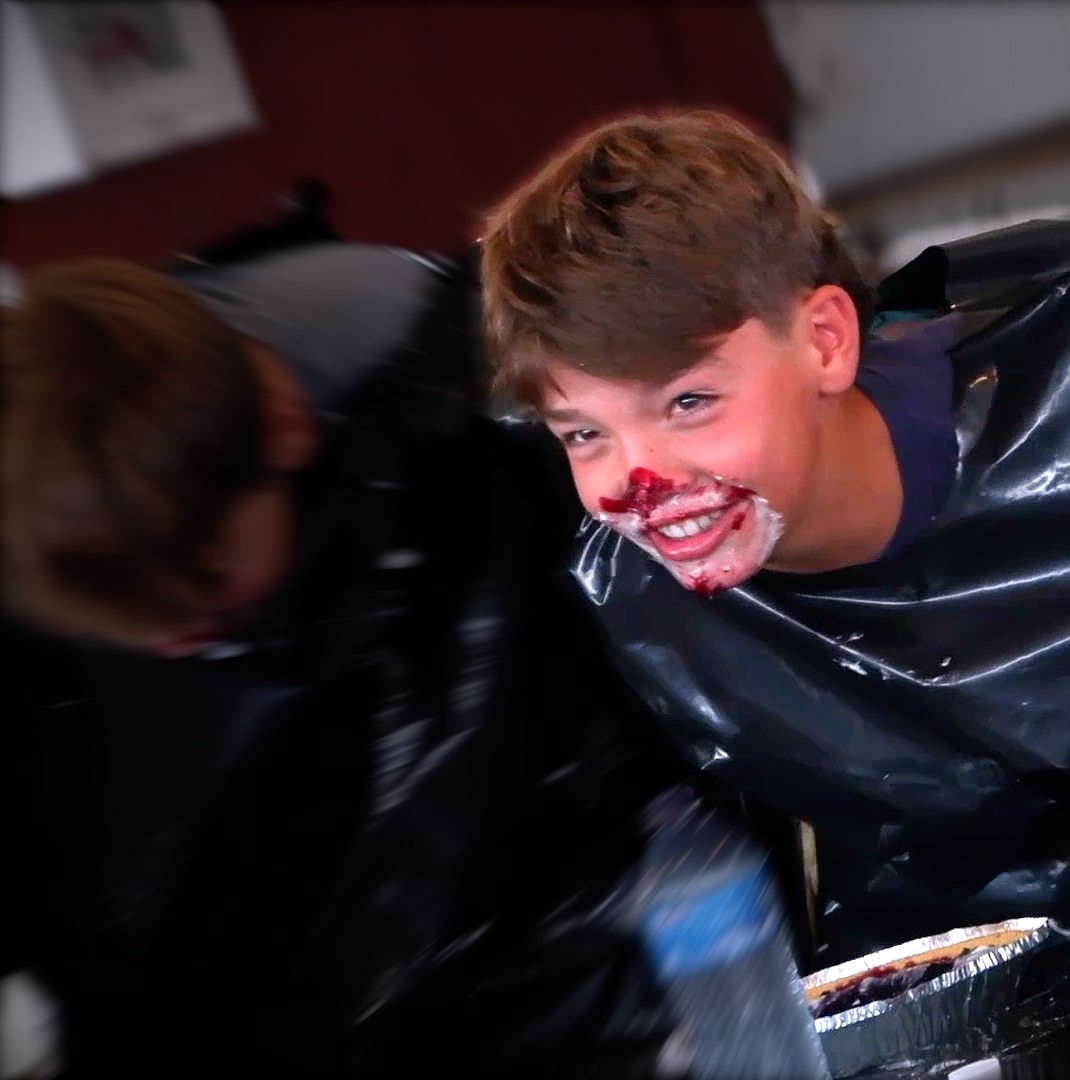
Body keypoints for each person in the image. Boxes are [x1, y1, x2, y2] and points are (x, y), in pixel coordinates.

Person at [481, 108, 1070, 1074]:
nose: (636, 483)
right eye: (581, 434)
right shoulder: (632, 608)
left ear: (823, 342)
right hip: (1028, 1029)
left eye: (688, 402)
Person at [0, 239, 693, 1076]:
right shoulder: (65, 560)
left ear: (285, 429)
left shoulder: (474, 447)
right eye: (130, 628)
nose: (176, 643)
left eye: (210, 588)